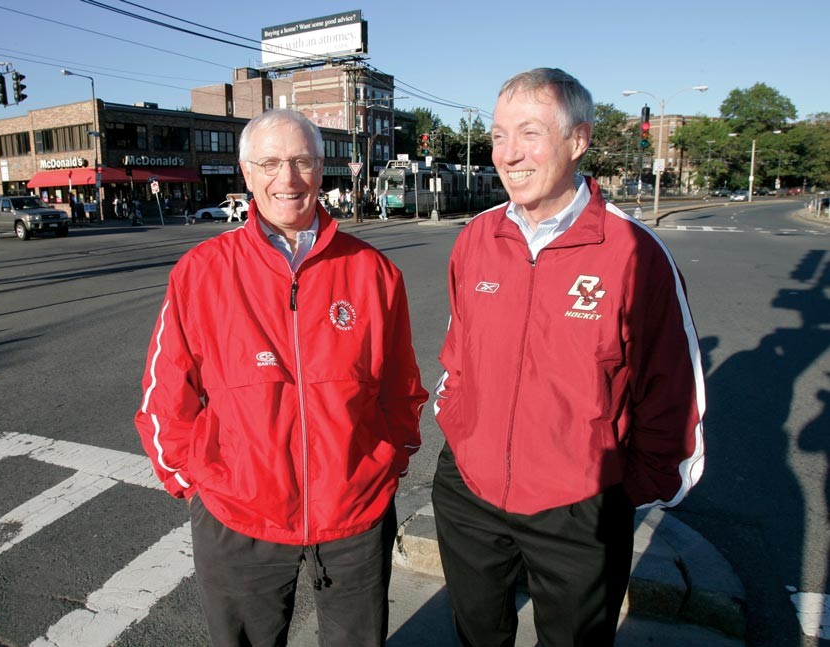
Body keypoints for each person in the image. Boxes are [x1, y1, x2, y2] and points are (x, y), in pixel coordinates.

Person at [431, 68, 705, 647]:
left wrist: (620, 492)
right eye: (499, 135)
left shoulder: (635, 253)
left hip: (579, 505)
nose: (508, 154)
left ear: (578, 140)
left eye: (529, 133)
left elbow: (674, 393)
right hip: (471, 494)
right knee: (477, 636)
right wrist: (459, 436)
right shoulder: (476, 238)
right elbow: (457, 356)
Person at [135, 108, 427, 647]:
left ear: (321, 169)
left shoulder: (374, 271)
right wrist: (192, 482)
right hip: (238, 516)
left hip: (354, 514)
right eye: (270, 163)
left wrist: (387, 462)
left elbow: (402, 388)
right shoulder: (201, 271)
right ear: (246, 173)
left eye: (300, 162)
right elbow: (165, 394)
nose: (287, 179)